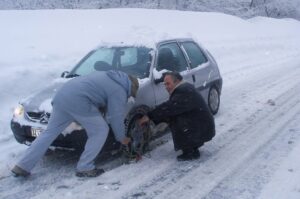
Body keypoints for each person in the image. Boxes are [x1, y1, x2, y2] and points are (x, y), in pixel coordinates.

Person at [11, 70, 139, 177]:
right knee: (100, 130)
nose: (128, 96)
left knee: (49, 133)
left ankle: (22, 166)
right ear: (131, 87)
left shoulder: (109, 76)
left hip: (61, 97)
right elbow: (115, 116)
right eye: (131, 94)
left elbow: (95, 93)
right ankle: (85, 167)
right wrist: (122, 138)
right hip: (79, 101)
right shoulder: (119, 90)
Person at [139, 72, 215, 161]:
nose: (166, 87)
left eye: (168, 84)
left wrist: (149, 116)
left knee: (176, 119)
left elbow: (169, 107)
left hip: (202, 128)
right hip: (202, 126)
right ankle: (193, 146)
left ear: (177, 81)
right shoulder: (184, 87)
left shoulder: (183, 91)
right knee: (174, 115)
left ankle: (190, 151)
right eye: (164, 84)